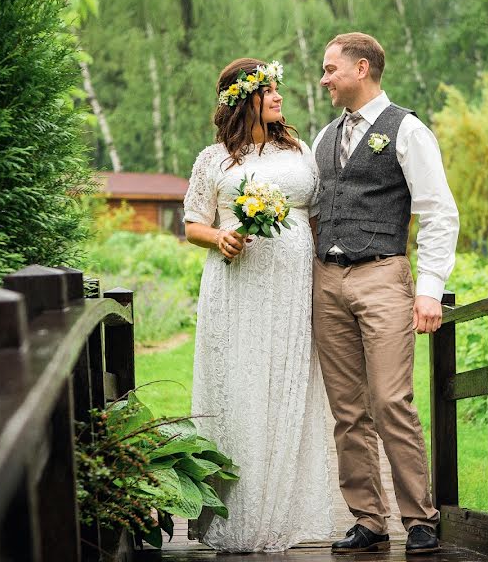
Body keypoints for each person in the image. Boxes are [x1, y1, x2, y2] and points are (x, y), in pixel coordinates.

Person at [310, 32, 459, 555]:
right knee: (347, 409)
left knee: (392, 399)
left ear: (363, 68)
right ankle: (368, 519)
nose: (324, 78)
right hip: (325, 281)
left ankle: (419, 519)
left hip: (382, 274)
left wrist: (430, 289)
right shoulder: (325, 137)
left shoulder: (407, 129)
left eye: (331, 69)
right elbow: (313, 210)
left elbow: (438, 211)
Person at [183, 58, 333, 553]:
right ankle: (240, 509)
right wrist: (220, 236)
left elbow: (314, 216)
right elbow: (192, 225)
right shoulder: (215, 160)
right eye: (267, 91)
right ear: (242, 98)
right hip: (237, 287)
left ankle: (289, 509)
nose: (278, 98)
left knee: (290, 381)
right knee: (242, 385)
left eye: (277, 90)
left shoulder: (300, 151)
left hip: (295, 287)